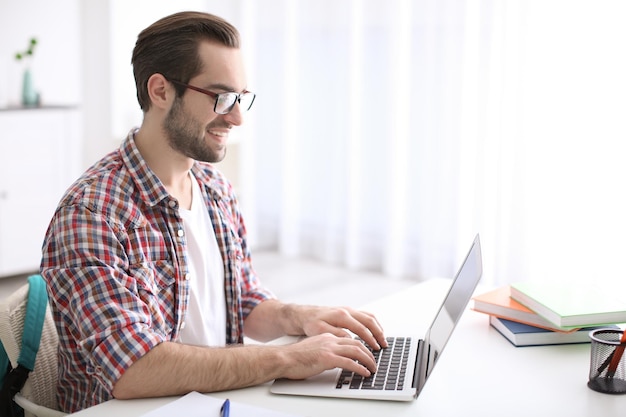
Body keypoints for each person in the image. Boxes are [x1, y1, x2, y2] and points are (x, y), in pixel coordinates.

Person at [40, 11, 388, 413]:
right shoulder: (92, 212)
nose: (238, 117)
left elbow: (240, 301)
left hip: (218, 402)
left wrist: (300, 317)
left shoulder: (214, 188)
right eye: (222, 97)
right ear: (160, 91)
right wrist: (290, 358)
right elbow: (134, 369)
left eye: (241, 97)